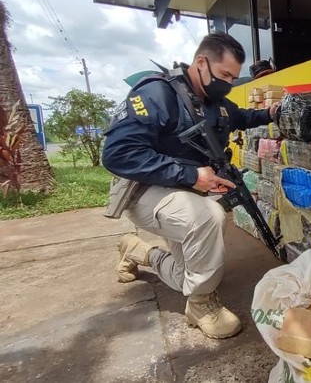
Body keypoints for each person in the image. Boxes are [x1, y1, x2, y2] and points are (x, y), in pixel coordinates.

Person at [102, 32, 279, 339]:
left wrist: (271, 113)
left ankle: (138, 252)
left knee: (190, 274)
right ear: (201, 62)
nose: (227, 82)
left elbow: (241, 116)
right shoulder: (158, 94)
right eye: (224, 74)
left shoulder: (216, 103)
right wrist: (193, 176)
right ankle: (200, 304)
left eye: (233, 78)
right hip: (146, 190)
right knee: (208, 216)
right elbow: (118, 154)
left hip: (183, 191)